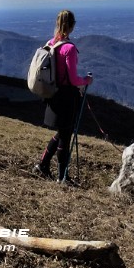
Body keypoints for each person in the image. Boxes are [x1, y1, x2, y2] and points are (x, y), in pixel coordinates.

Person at [35, 10, 93, 182]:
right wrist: (87, 80)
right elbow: (73, 78)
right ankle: (62, 177)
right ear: (73, 25)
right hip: (67, 96)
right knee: (65, 137)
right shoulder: (69, 48)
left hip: (53, 93)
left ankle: (43, 165)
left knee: (62, 132)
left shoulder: (51, 43)